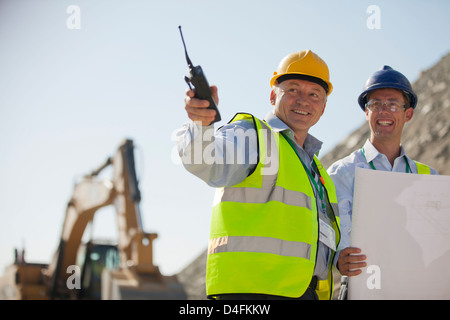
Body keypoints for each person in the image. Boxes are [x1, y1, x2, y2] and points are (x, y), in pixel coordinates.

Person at [176, 50, 341, 300]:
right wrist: (201, 125)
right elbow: (207, 162)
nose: (303, 101)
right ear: (274, 95)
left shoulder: (319, 174)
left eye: (314, 94)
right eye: (293, 90)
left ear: (323, 108)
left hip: (305, 294)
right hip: (251, 295)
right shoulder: (254, 136)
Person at [327, 65, 439, 284]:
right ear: (366, 112)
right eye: (376, 104)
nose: (384, 111)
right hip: (363, 289)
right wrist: (338, 259)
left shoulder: (429, 177)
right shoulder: (342, 173)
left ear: (408, 114)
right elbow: (331, 240)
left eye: (393, 104)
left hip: (417, 288)